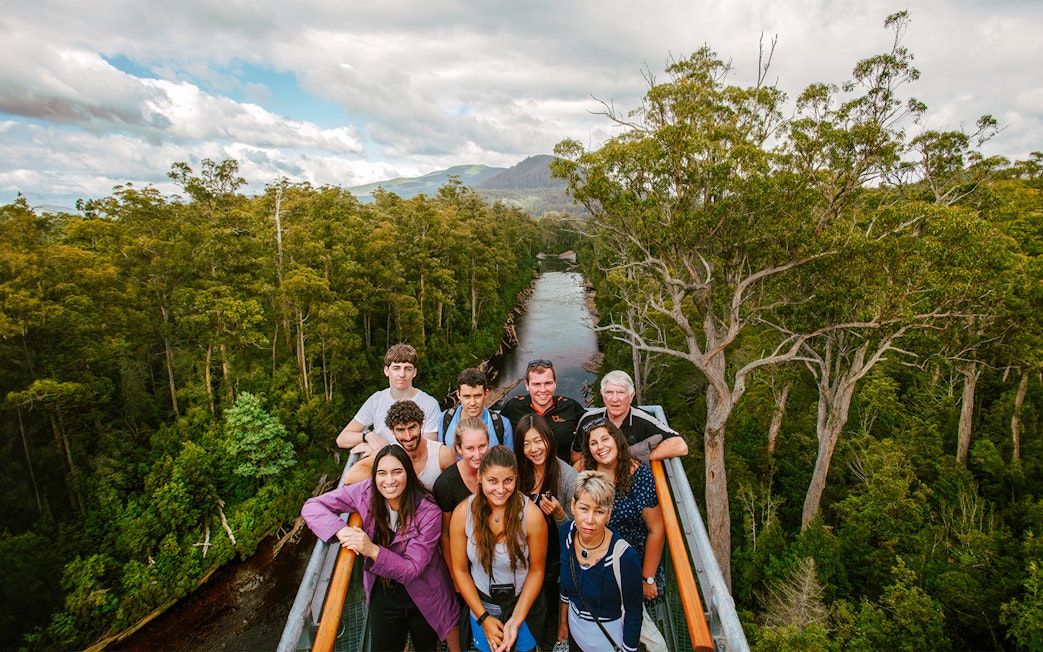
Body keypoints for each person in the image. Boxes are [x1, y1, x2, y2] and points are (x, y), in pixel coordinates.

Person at [301, 445, 461, 651]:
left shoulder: (429, 510)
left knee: (427, 647)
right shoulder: (366, 492)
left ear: (408, 473)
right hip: (384, 596)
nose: (389, 481)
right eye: (382, 473)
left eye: (397, 472)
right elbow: (312, 506)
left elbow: (412, 570)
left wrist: (371, 550)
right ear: (374, 476)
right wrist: (341, 531)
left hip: (426, 596)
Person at [450, 446, 547, 652]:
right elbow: (460, 570)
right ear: (479, 477)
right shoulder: (462, 514)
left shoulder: (532, 516)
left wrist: (516, 620)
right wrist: (484, 619)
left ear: (516, 478)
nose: (501, 489)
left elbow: (537, 570)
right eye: (492, 481)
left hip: (523, 606)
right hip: (482, 606)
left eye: (508, 480)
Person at [578, 418, 666, 607]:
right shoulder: (590, 480)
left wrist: (647, 578)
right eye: (593, 443)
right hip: (600, 567)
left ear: (616, 440)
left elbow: (656, 529)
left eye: (605, 439)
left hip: (636, 564)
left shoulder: (639, 476)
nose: (600, 446)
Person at [557, 471, 644, 652]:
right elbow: (565, 587)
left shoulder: (624, 558)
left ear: (609, 514)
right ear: (573, 506)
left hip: (609, 644)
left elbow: (634, 614)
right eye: (584, 508)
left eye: (599, 511)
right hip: (575, 638)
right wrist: (562, 623)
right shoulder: (566, 534)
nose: (589, 520)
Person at [515, 414, 578, 651]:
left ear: (548, 440)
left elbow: (578, 532)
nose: (534, 449)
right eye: (526, 444)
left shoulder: (566, 476)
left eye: (538, 441)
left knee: (549, 609)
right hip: (522, 558)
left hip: (553, 562)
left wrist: (560, 514)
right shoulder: (518, 472)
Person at [433, 416, 491, 652]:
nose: (477, 454)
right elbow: (445, 534)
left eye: (482, 447)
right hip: (462, 560)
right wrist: (455, 574)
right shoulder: (447, 484)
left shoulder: (495, 473)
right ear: (458, 449)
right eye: (469, 448)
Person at [336, 343, 441, 455]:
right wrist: (369, 436)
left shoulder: (429, 404)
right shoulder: (376, 400)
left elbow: (428, 452)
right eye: (396, 368)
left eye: (408, 369)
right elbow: (342, 439)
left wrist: (380, 452)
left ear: (414, 372)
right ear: (386, 371)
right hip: (383, 469)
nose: (402, 374)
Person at [573, 370, 689, 465]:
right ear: (602, 395)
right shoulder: (588, 420)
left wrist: (635, 455)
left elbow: (680, 445)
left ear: (631, 396)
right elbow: (575, 455)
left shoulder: (642, 419)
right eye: (609, 392)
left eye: (620, 392)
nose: (614, 399)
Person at [343, 399, 455, 490]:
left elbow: (454, 492)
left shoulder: (442, 454)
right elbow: (350, 477)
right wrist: (387, 479)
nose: (408, 436)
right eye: (401, 430)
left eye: (412, 428)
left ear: (421, 425)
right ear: (392, 431)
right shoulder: (388, 455)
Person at [499, 359, 585, 461]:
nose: (543, 390)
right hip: (523, 473)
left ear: (555, 383)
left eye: (548, 383)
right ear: (527, 385)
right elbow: (497, 430)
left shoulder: (569, 406)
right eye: (536, 384)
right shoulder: (514, 406)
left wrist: (578, 450)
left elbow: (591, 425)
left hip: (561, 472)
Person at [440, 368, 513, 450]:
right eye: (467, 396)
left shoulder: (502, 425)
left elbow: (508, 461)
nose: (472, 403)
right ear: (458, 395)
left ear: (486, 394)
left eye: (477, 396)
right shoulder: (445, 419)